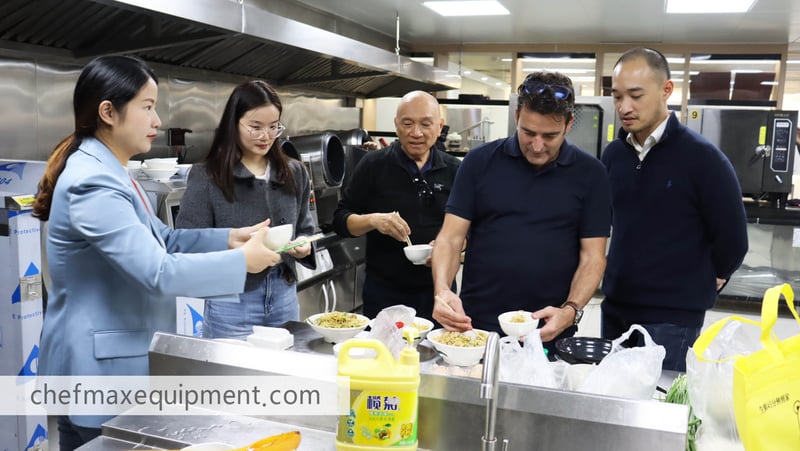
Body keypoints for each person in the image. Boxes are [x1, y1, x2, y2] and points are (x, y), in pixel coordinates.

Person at [32, 56, 280, 450]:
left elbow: (161, 239)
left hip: (107, 366)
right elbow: (157, 271)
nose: (157, 120)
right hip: (99, 373)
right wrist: (242, 262)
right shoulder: (93, 181)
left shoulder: (113, 170)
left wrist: (229, 238)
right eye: (147, 107)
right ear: (108, 112)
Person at [431, 71, 611, 353]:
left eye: (550, 136)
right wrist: (442, 290)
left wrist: (570, 310)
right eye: (528, 132)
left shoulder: (591, 174)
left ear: (569, 124)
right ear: (517, 117)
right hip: (476, 326)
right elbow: (450, 239)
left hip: (550, 330)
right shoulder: (478, 163)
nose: (537, 146)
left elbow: (593, 256)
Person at [601, 47, 748, 371]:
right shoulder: (613, 156)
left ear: (667, 90)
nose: (624, 107)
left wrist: (710, 277)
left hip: (673, 318)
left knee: (660, 408)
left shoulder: (703, 159)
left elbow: (734, 239)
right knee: (612, 403)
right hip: (616, 309)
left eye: (636, 95)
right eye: (617, 96)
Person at [176, 80, 315, 338]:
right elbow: (188, 242)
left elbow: (307, 227)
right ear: (234, 124)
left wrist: (305, 244)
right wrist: (237, 255)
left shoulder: (295, 172)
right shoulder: (207, 176)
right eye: (255, 127)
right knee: (233, 377)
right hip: (232, 301)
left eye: (274, 127)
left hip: (284, 295)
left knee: (283, 375)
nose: (266, 136)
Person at [332, 91, 461, 321]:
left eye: (425, 124)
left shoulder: (456, 170)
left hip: (438, 293)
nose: (416, 133)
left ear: (440, 126)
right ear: (396, 125)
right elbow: (341, 220)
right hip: (384, 294)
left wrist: (450, 246)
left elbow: (472, 229)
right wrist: (373, 220)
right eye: (407, 123)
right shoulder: (373, 164)